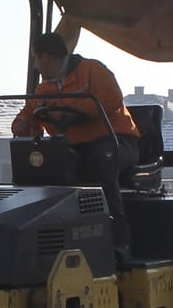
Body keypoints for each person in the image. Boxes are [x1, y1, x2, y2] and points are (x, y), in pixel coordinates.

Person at [11, 30, 141, 258]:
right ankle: (53, 240)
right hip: (75, 147)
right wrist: (21, 125)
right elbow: (29, 114)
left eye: (35, 58)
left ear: (48, 57)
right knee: (44, 167)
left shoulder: (92, 72)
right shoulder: (44, 90)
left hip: (116, 141)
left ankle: (120, 241)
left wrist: (79, 113)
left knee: (102, 163)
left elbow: (112, 99)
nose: (35, 65)